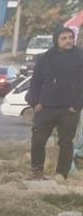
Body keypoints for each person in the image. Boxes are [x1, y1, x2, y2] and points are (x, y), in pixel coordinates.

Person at [26, 27, 83, 180]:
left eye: (70, 37)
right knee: (37, 141)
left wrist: (77, 106)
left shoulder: (80, 57)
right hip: (45, 108)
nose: (68, 41)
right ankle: (37, 172)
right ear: (56, 40)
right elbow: (35, 83)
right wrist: (35, 103)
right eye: (64, 38)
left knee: (65, 143)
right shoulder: (45, 58)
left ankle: (61, 174)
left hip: (69, 109)